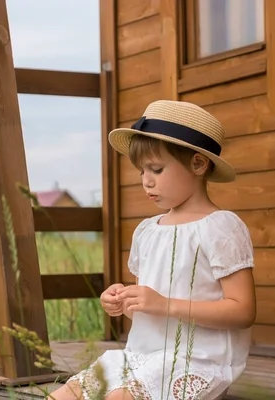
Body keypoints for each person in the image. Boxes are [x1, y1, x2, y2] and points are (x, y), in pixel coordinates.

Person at [47, 100, 256, 400]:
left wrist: (164, 304)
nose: (146, 180)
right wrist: (124, 301)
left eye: (156, 169)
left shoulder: (219, 227)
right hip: (142, 355)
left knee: (117, 397)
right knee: (67, 393)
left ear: (198, 164)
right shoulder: (148, 231)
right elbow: (149, 303)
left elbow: (243, 310)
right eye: (141, 170)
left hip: (196, 359)